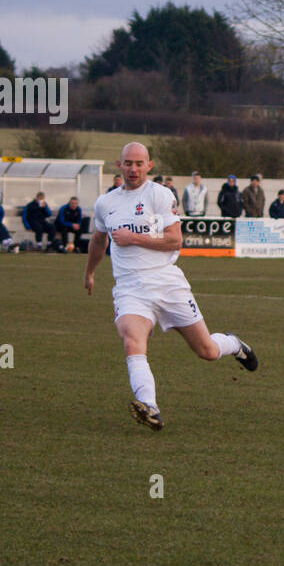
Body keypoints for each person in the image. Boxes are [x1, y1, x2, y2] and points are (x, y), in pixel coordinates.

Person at [85, 143, 259, 431]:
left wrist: (133, 238)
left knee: (207, 351)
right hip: (130, 288)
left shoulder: (160, 195)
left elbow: (175, 241)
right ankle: (149, 406)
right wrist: (89, 272)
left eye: (139, 163)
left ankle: (234, 344)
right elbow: (98, 240)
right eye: (128, 163)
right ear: (119, 165)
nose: (133, 169)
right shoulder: (106, 203)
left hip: (166, 282)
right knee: (132, 341)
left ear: (149, 165)